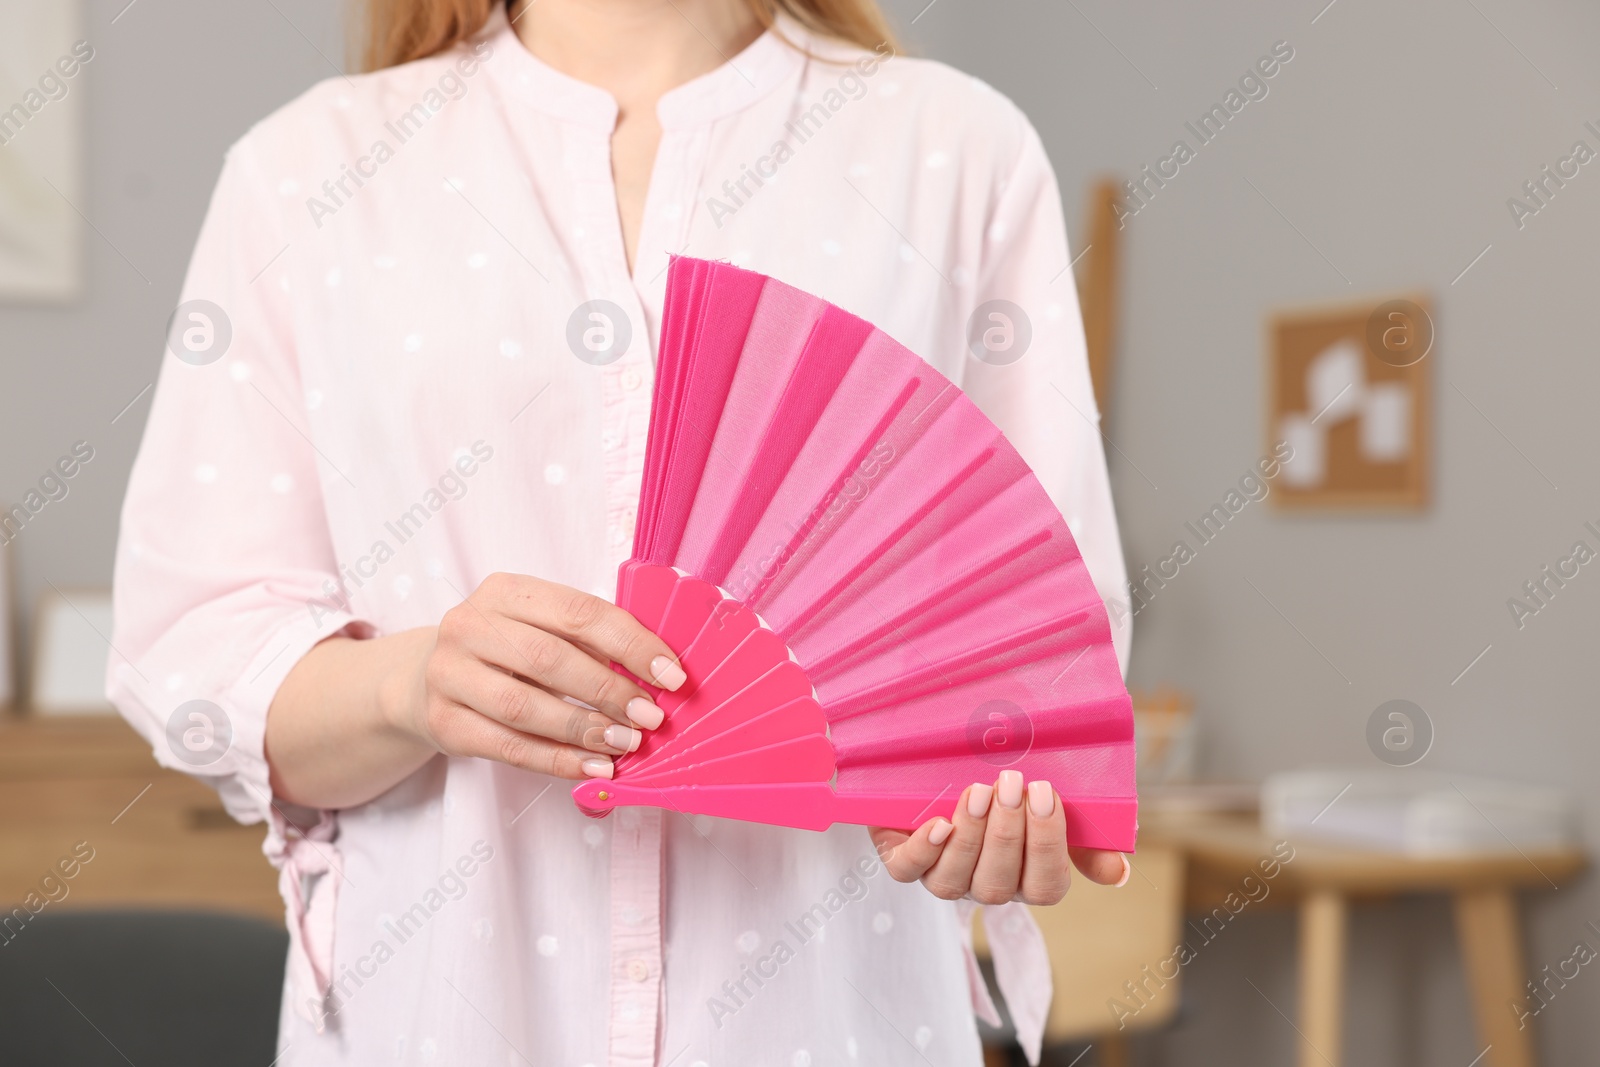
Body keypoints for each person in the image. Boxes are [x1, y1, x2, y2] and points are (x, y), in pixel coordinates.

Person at [109, 1, 1132, 1063]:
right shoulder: (302, 170)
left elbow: (1040, 659)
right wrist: (410, 685)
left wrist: (990, 798)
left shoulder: (957, 151)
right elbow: (198, 650)